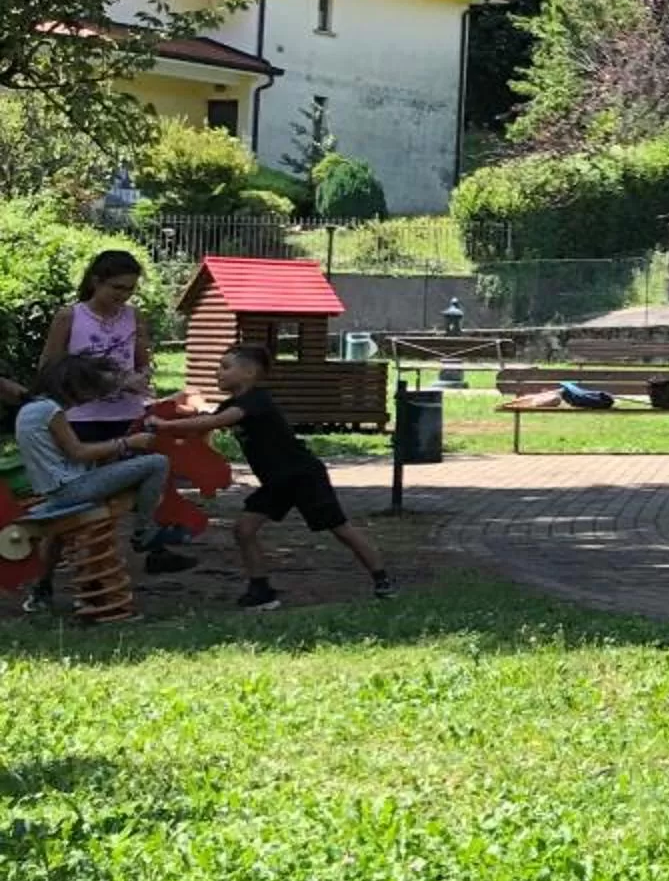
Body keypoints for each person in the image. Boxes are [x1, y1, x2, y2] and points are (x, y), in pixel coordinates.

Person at [148, 346, 391, 610]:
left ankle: (382, 580)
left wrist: (167, 426)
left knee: (339, 529)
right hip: (277, 483)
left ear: (249, 372)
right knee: (244, 530)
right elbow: (206, 415)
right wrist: (179, 404)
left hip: (303, 476)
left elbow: (212, 422)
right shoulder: (233, 404)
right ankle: (261, 590)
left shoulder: (256, 400)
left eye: (226, 367)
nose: (218, 372)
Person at [14, 356, 198, 613]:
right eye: (88, 391)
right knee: (157, 463)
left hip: (56, 490)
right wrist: (127, 443)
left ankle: (42, 589)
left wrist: (111, 453)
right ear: (71, 385)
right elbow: (77, 452)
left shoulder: (30, 410)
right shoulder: (50, 411)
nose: (89, 399)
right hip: (72, 489)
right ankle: (144, 532)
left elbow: (62, 457)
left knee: (60, 532)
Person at [41, 251, 154, 447]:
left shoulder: (134, 316)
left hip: (128, 413)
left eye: (131, 289)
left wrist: (142, 378)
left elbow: (143, 363)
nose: (124, 295)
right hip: (81, 415)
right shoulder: (69, 316)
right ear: (96, 282)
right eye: (117, 287)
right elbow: (49, 368)